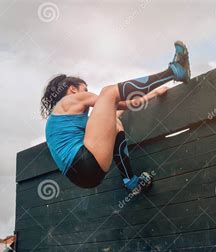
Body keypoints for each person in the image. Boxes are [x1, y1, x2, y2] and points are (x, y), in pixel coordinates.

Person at [42, 41, 190, 195]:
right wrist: (152, 93)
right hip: (85, 161)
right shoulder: (70, 100)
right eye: (85, 89)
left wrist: (153, 94)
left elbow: (114, 114)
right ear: (73, 90)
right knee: (108, 91)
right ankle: (174, 71)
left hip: (84, 176)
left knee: (115, 121)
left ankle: (132, 183)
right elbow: (117, 99)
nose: (88, 92)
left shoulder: (60, 120)